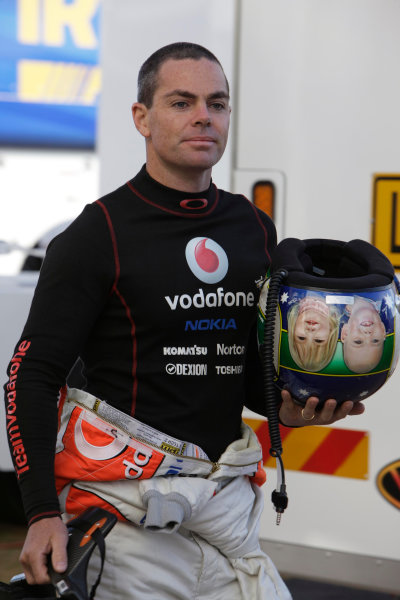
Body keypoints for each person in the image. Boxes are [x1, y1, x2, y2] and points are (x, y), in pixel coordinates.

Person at [4, 42, 365, 600]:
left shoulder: (252, 227)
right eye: (181, 102)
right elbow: (30, 375)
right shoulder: (96, 235)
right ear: (141, 118)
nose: (204, 115)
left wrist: (291, 409)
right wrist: (41, 512)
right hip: (127, 526)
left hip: (226, 513)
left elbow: (244, 371)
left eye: (217, 104)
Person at [287, 294, 339, 372]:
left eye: (301, 338)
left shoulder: (292, 298)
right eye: (318, 340)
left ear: (293, 329)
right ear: (330, 331)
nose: (310, 332)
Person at [341, 296, 386, 373]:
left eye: (358, 341)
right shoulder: (385, 302)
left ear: (345, 332)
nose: (368, 335)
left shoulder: (339, 304)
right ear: (382, 330)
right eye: (375, 340)